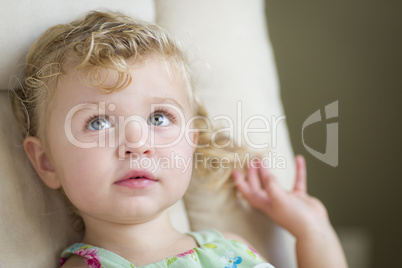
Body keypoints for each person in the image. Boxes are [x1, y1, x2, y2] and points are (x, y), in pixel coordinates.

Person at [11, 11, 347, 268]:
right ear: (46, 162)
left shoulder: (227, 248)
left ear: (191, 142)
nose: (137, 142)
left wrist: (312, 230)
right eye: (98, 122)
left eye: (159, 118)